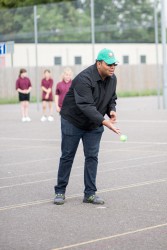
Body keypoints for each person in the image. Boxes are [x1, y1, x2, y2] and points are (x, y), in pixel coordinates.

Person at [54, 48, 121, 205]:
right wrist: (106, 123)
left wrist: (112, 110)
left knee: (92, 157)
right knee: (67, 156)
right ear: (99, 63)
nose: (112, 67)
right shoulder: (84, 79)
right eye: (109, 64)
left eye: (114, 64)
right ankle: (60, 191)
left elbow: (112, 97)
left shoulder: (113, 79)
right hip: (73, 121)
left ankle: (90, 193)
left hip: (93, 123)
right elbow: (86, 106)